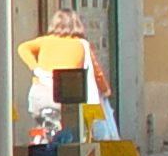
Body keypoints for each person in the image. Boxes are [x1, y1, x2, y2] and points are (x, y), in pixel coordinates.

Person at [19, 8, 117, 142]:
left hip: (40, 94)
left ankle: (38, 144)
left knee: (44, 127)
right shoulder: (81, 44)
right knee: (71, 134)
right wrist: (105, 91)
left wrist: (36, 69)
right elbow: (96, 72)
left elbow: (23, 48)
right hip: (65, 97)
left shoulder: (45, 41)